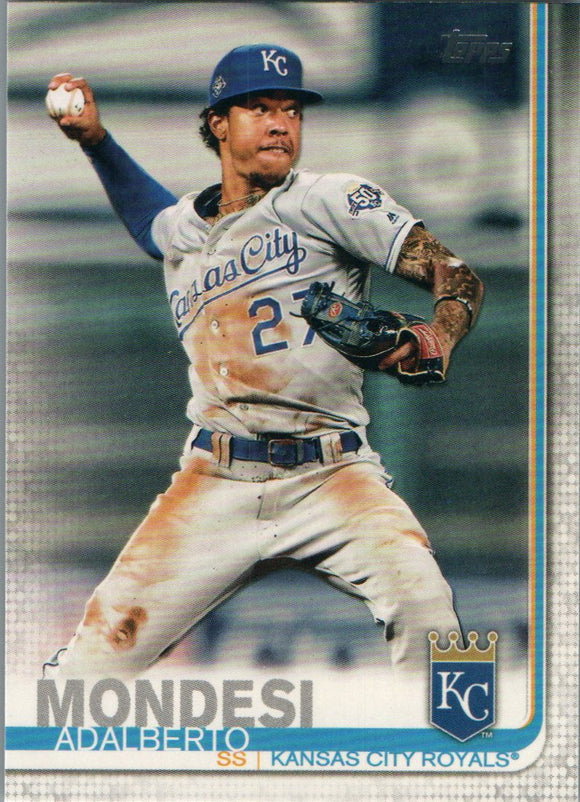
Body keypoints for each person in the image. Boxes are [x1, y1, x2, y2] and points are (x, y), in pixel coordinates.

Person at [44, 44, 484, 683]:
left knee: (429, 615)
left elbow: (454, 272)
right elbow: (149, 222)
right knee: (88, 669)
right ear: (218, 123)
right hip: (214, 480)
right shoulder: (186, 228)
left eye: (291, 110)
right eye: (259, 108)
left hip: (332, 474)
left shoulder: (330, 198)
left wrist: (439, 335)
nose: (281, 123)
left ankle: (451, 746)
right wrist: (95, 141)